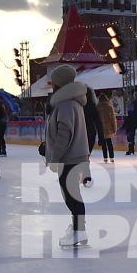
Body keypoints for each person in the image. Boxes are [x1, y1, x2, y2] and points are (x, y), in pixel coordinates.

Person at [43, 64, 92, 248]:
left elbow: (65, 134)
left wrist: (55, 158)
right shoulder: (71, 102)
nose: (52, 86)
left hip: (70, 158)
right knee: (72, 195)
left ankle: (79, 232)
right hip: (75, 156)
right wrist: (47, 147)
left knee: (72, 197)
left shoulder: (66, 104)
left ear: (59, 83)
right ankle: (78, 229)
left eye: (53, 82)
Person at [96, 92, 118, 164]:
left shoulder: (98, 107)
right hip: (109, 128)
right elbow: (113, 119)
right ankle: (112, 157)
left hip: (101, 128)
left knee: (103, 144)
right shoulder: (109, 106)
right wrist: (115, 128)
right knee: (109, 143)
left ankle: (105, 158)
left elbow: (96, 120)